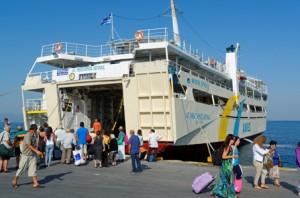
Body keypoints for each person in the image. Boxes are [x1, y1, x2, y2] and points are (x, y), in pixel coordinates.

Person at [12, 124, 44, 188]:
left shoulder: (35, 134)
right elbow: (29, 145)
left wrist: (39, 152)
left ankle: (35, 183)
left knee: (33, 169)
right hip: (25, 155)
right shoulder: (28, 135)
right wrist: (37, 151)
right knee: (22, 169)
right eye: (35, 129)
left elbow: (37, 141)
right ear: (33, 129)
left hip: (32, 155)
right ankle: (14, 180)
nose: (36, 131)